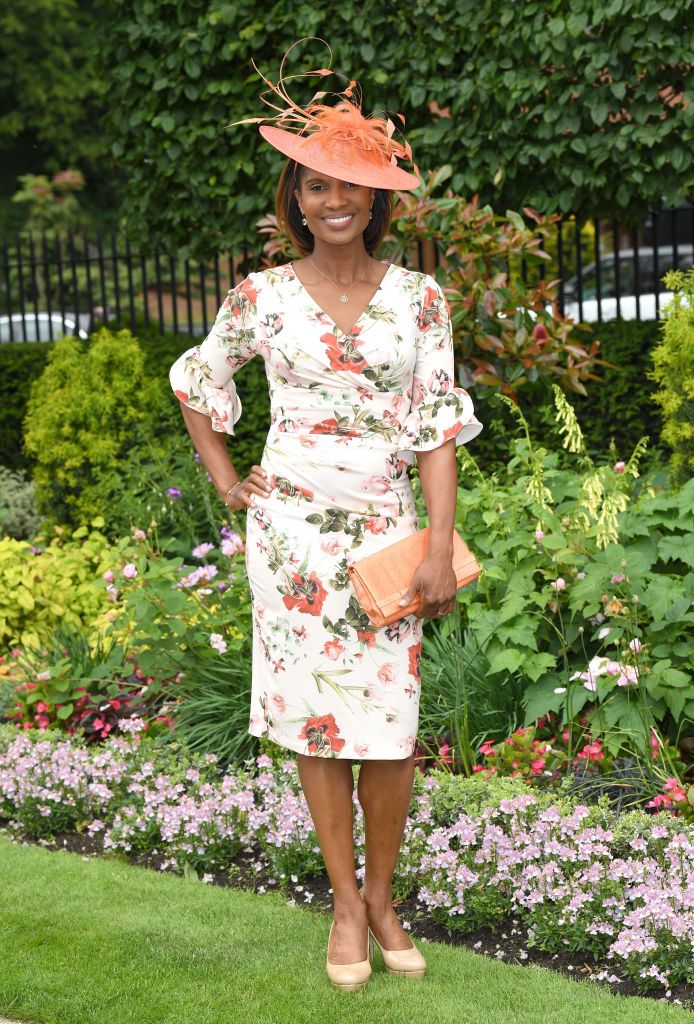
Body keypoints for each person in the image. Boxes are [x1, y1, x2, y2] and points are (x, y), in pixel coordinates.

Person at [169, 39, 483, 993]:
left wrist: (435, 543)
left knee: (388, 727)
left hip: (389, 539)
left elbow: (436, 425)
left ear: (374, 200)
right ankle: (346, 905)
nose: (331, 202)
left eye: (346, 188)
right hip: (294, 539)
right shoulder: (259, 296)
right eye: (312, 187)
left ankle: (385, 896)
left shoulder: (421, 300)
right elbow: (197, 378)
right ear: (294, 200)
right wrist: (228, 481)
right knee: (319, 726)